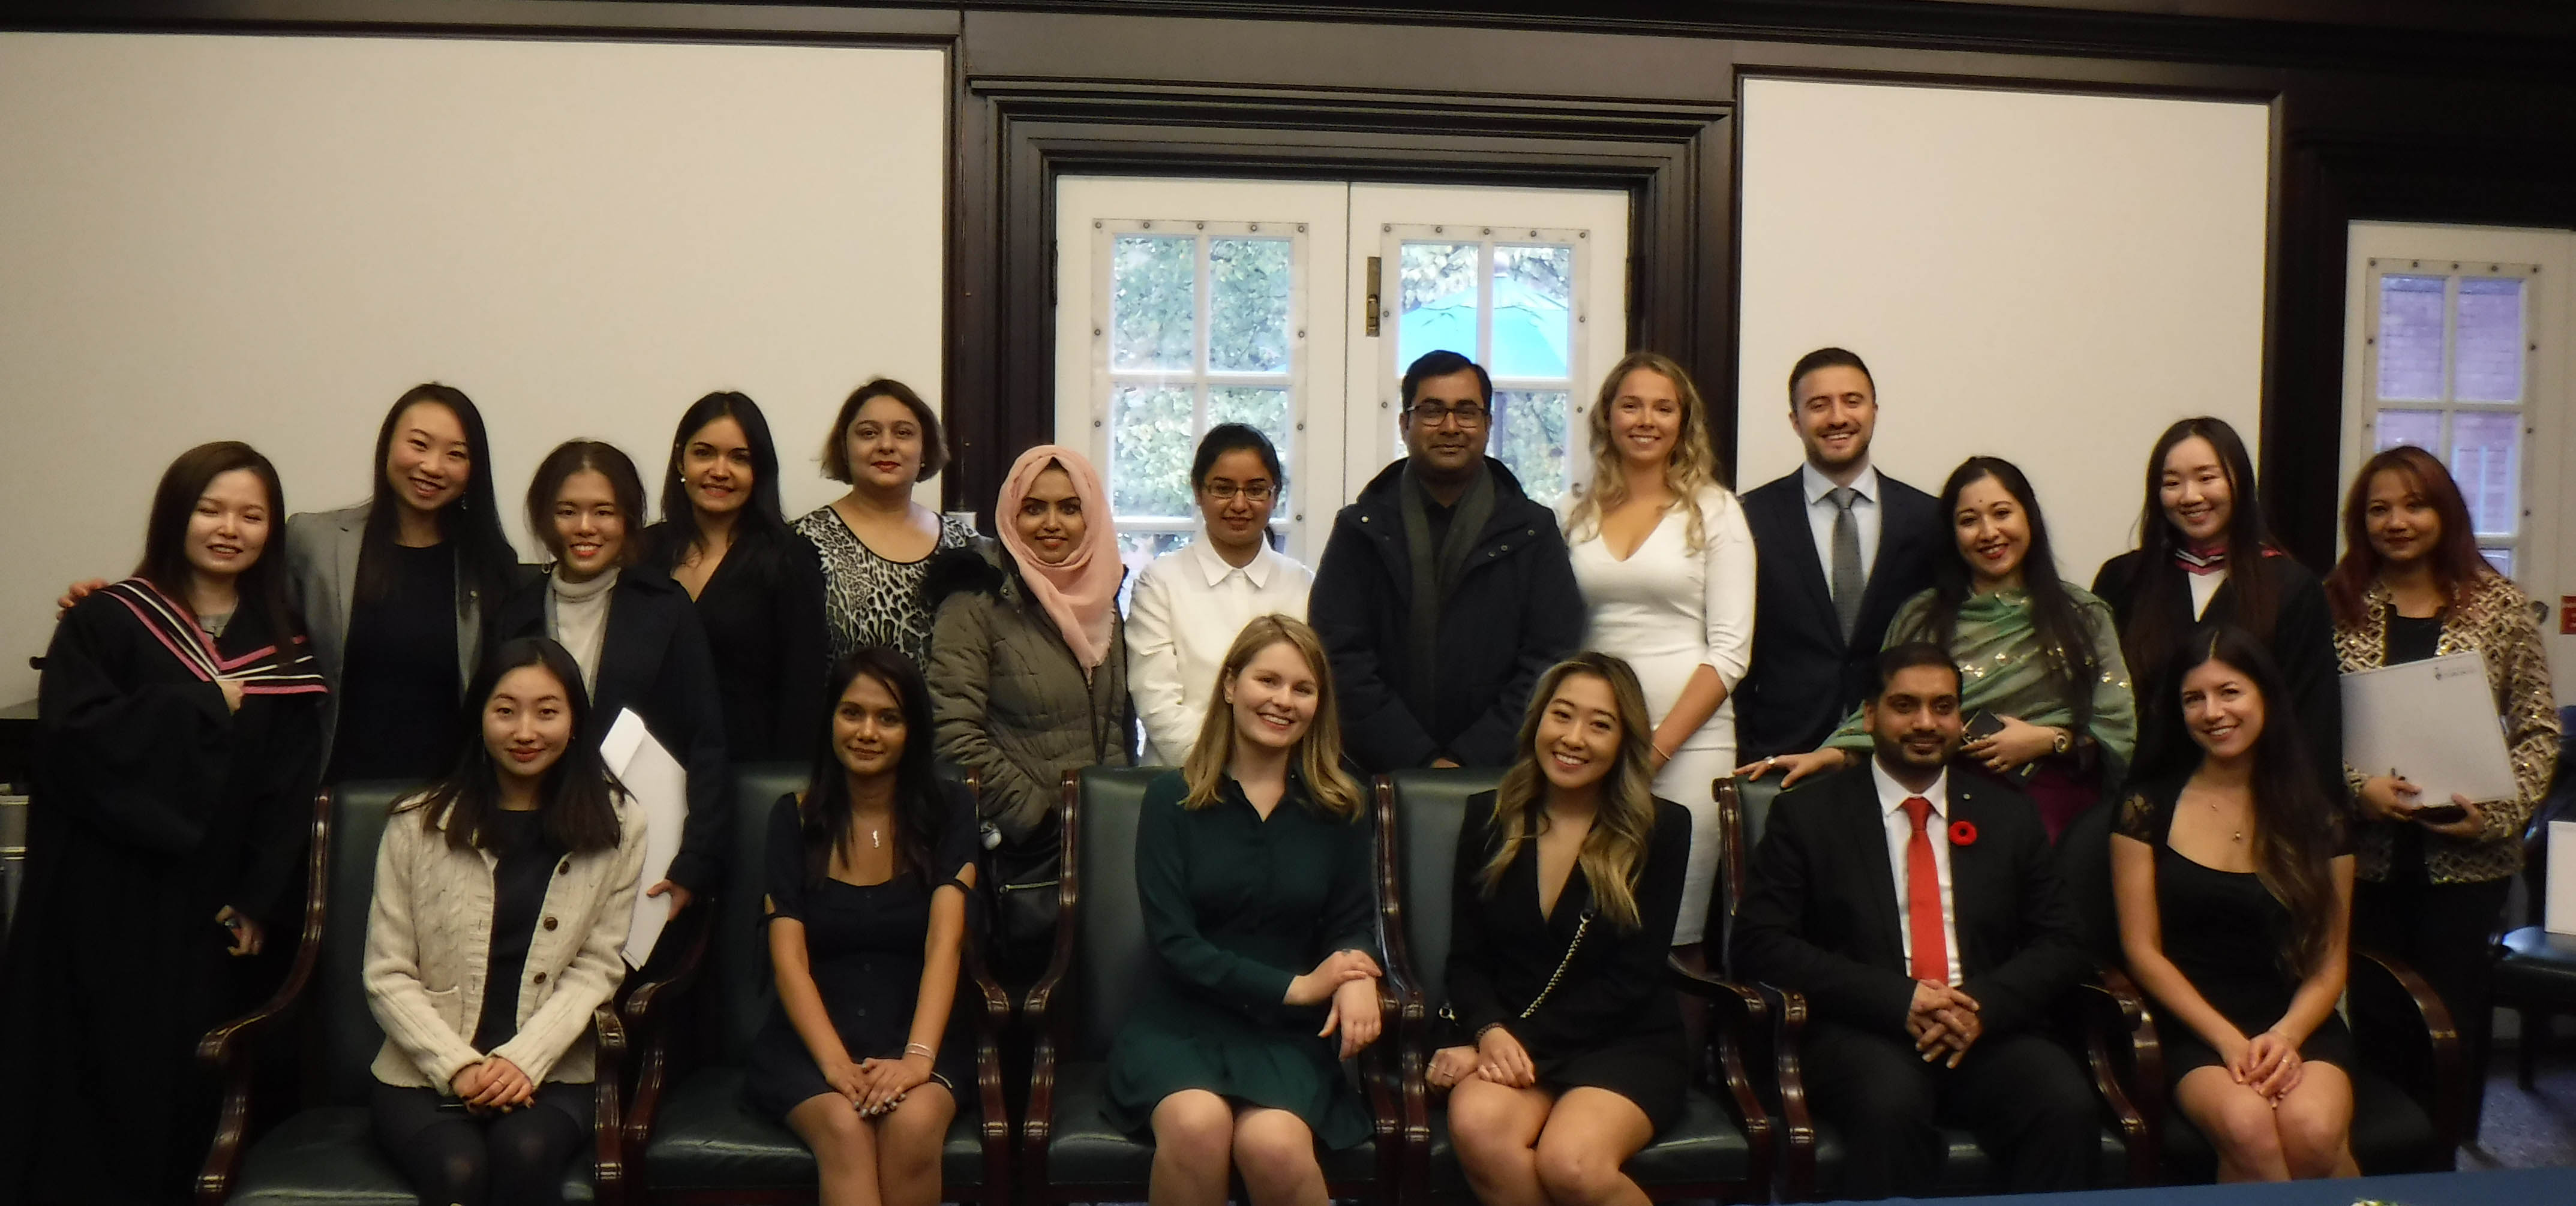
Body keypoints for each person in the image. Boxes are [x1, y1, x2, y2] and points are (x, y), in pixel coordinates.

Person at [0, 441, 327, 1206]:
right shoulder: (109, 620)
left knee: (193, 1080)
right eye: (211, 509)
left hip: (209, 910)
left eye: (251, 515)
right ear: (176, 513)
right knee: (96, 1075)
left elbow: (290, 789)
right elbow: (74, 745)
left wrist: (260, 897)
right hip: (103, 900)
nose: (229, 528)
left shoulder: (280, 644)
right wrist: (202, 705)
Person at [1731, 643, 2094, 1199]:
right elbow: (1761, 943)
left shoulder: (2008, 812)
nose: (1926, 722)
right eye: (1906, 705)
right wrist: (1900, 999)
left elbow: (2063, 940)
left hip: (1985, 1025)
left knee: (2063, 1102)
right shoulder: (1809, 813)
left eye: (1943, 706)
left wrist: (1982, 1007)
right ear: (1871, 714)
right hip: (1862, 1030)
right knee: (1889, 1106)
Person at [52, 384, 521, 780]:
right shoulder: (313, 539)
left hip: (448, 796)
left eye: (455, 454)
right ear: (388, 447)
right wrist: (115, 610)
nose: (433, 466)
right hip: (318, 786)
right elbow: (232, 609)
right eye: (418, 444)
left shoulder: (490, 563)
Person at [1101, 615, 1382, 1206]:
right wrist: (1301, 987)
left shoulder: (1341, 805)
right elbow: (1175, 943)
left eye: (1302, 689)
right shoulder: (1168, 801)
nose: (1283, 700)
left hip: (1283, 1038)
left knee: (1274, 1146)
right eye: (1267, 680)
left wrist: (1355, 972)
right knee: (1196, 1126)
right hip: (1181, 1022)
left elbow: (1352, 919)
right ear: (1230, 685)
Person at [365, 637, 648, 1206]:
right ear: (480, 719)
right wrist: (460, 1067)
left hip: (555, 1071)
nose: (525, 731)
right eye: (505, 710)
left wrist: (521, 1060)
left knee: (525, 1154)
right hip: (422, 1072)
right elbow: (386, 974)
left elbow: (598, 966)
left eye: (547, 711)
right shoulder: (416, 824)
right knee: (457, 1169)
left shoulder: (619, 823)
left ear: (574, 724)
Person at [2323, 446, 2557, 1102]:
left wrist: (2498, 815)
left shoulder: (2501, 607)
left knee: (2450, 1025)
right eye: (2379, 509)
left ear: (2444, 511)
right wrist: (2354, 788)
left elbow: (2538, 728)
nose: (2396, 521)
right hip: (2364, 858)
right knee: (2373, 1021)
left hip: (2468, 861)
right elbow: (2307, 724)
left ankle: (2442, 1172)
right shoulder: (2334, 604)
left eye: (2414, 505)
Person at [1751, 457, 2137, 843]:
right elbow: (1887, 711)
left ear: (2029, 518)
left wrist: (2050, 739)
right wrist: (1830, 755)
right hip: (1939, 801)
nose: (1989, 533)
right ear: (1952, 534)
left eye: (2002, 513)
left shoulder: (2082, 616)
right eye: (1969, 521)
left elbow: (2116, 728)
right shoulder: (1923, 616)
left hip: (2054, 808)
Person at [1427, 652, 1693, 1206]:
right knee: (1477, 1125)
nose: (1574, 737)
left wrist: (1507, 1042)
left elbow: (1633, 979)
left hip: (1624, 1043)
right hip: (1514, 1040)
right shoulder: (1488, 816)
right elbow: (1466, 960)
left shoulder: (1663, 828)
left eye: (1601, 724)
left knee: (1571, 1164)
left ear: (1625, 740)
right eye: (1562, 715)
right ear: (1537, 722)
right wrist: (1488, 1032)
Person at [2112, 626, 2356, 1181]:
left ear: (2264, 696)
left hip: (2298, 1020)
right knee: (2248, 1125)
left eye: (2230, 692)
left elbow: (2330, 960)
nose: (2212, 712)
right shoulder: (2144, 807)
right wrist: (2230, 1042)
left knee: (2313, 1130)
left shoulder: (2322, 816)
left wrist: (2286, 1036)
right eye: (2193, 698)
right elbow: (2142, 950)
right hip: (2193, 1025)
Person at [747, 648, 978, 1206]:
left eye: (888, 718)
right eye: (852, 713)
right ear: (831, 720)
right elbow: (789, 961)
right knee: (846, 1130)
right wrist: (835, 1066)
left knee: (912, 1126)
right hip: (810, 1042)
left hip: (921, 1032)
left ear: (912, 730)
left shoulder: (949, 809)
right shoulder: (793, 817)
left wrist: (918, 1058)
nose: (867, 732)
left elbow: (945, 943)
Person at [1554, 352, 1750, 954]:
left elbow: (1730, 650)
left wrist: (1652, 751)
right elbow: (1555, 638)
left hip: (1690, 748)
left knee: (1677, 934)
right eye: (1631, 405)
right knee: (1584, 925)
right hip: (1583, 746)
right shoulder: (1568, 514)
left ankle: (1679, 1053)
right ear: (1607, 417)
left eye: (1663, 408)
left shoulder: (1716, 511)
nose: (1646, 420)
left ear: (1682, 421)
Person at [1310, 350, 1584, 772]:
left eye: (1467, 412)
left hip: (1505, 774)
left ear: (1489, 425)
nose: (1451, 426)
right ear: (1405, 424)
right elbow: (1339, 657)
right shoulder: (1360, 530)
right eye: (1433, 411)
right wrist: (1417, 758)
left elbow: (1551, 658)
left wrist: (1470, 758)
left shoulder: (1533, 531)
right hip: (1375, 772)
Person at [926, 445, 1135, 982]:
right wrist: (1040, 816)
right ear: (1010, 514)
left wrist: (1112, 816)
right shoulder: (976, 598)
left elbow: (1118, 725)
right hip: (1025, 853)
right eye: (1034, 508)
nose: (1052, 523)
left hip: (1105, 842)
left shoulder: (1104, 596)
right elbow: (952, 733)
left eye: (1070, 507)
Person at [496, 440, 728, 917]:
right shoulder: (514, 613)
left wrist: (694, 861)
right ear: (544, 517)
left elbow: (707, 742)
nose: (585, 528)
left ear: (628, 519)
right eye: (567, 511)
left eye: (603, 511)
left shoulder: (666, 608)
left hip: (641, 849)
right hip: (527, 847)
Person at [2091, 417, 2341, 798]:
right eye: (2172, 483)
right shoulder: (2125, 581)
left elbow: (2312, 718)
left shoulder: (2291, 588)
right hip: (2139, 802)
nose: (2190, 497)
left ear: (2239, 483)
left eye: (2207, 478)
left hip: (2256, 804)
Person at [1736, 348, 1942, 762]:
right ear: (1795, 421)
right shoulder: (1747, 517)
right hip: (1782, 749)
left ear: (1874, 410)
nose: (1837, 417)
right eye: (1818, 405)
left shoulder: (1928, 519)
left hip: (1900, 752)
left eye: (1852, 400)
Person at [644, 391, 830, 763]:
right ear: (681, 460)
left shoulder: (790, 559)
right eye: (704, 453)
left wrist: (786, 793)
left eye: (739, 458)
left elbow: (803, 693)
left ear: (759, 471)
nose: (719, 470)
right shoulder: (645, 551)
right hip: (647, 769)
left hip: (747, 770)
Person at [1127, 423, 1314, 765]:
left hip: (1282, 781)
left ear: (1276, 495)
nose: (1240, 504)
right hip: (1181, 779)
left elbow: (1312, 698)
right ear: (1198, 492)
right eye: (1223, 489)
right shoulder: (1160, 582)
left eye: (1256, 490)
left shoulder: (1303, 585)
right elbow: (1157, 703)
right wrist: (1226, 772)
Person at [792, 378, 980, 669]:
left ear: (924, 449)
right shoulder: (802, 541)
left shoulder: (965, 544)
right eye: (869, 433)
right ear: (844, 447)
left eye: (903, 433)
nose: (886, 445)